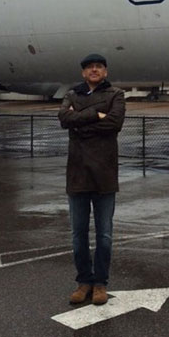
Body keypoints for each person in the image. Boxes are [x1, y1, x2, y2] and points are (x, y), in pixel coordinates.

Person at [58, 53, 125, 305]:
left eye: (98, 67)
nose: (94, 70)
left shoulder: (116, 94)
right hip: (77, 174)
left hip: (105, 174)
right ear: (83, 73)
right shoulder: (71, 94)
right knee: (79, 235)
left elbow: (115, 123)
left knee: (104, 235)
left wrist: (81, 121)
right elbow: (64, 119)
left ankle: (100, 284)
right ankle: (83, 282)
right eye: (89, 67)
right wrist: (97, 114)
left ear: (105, 71)